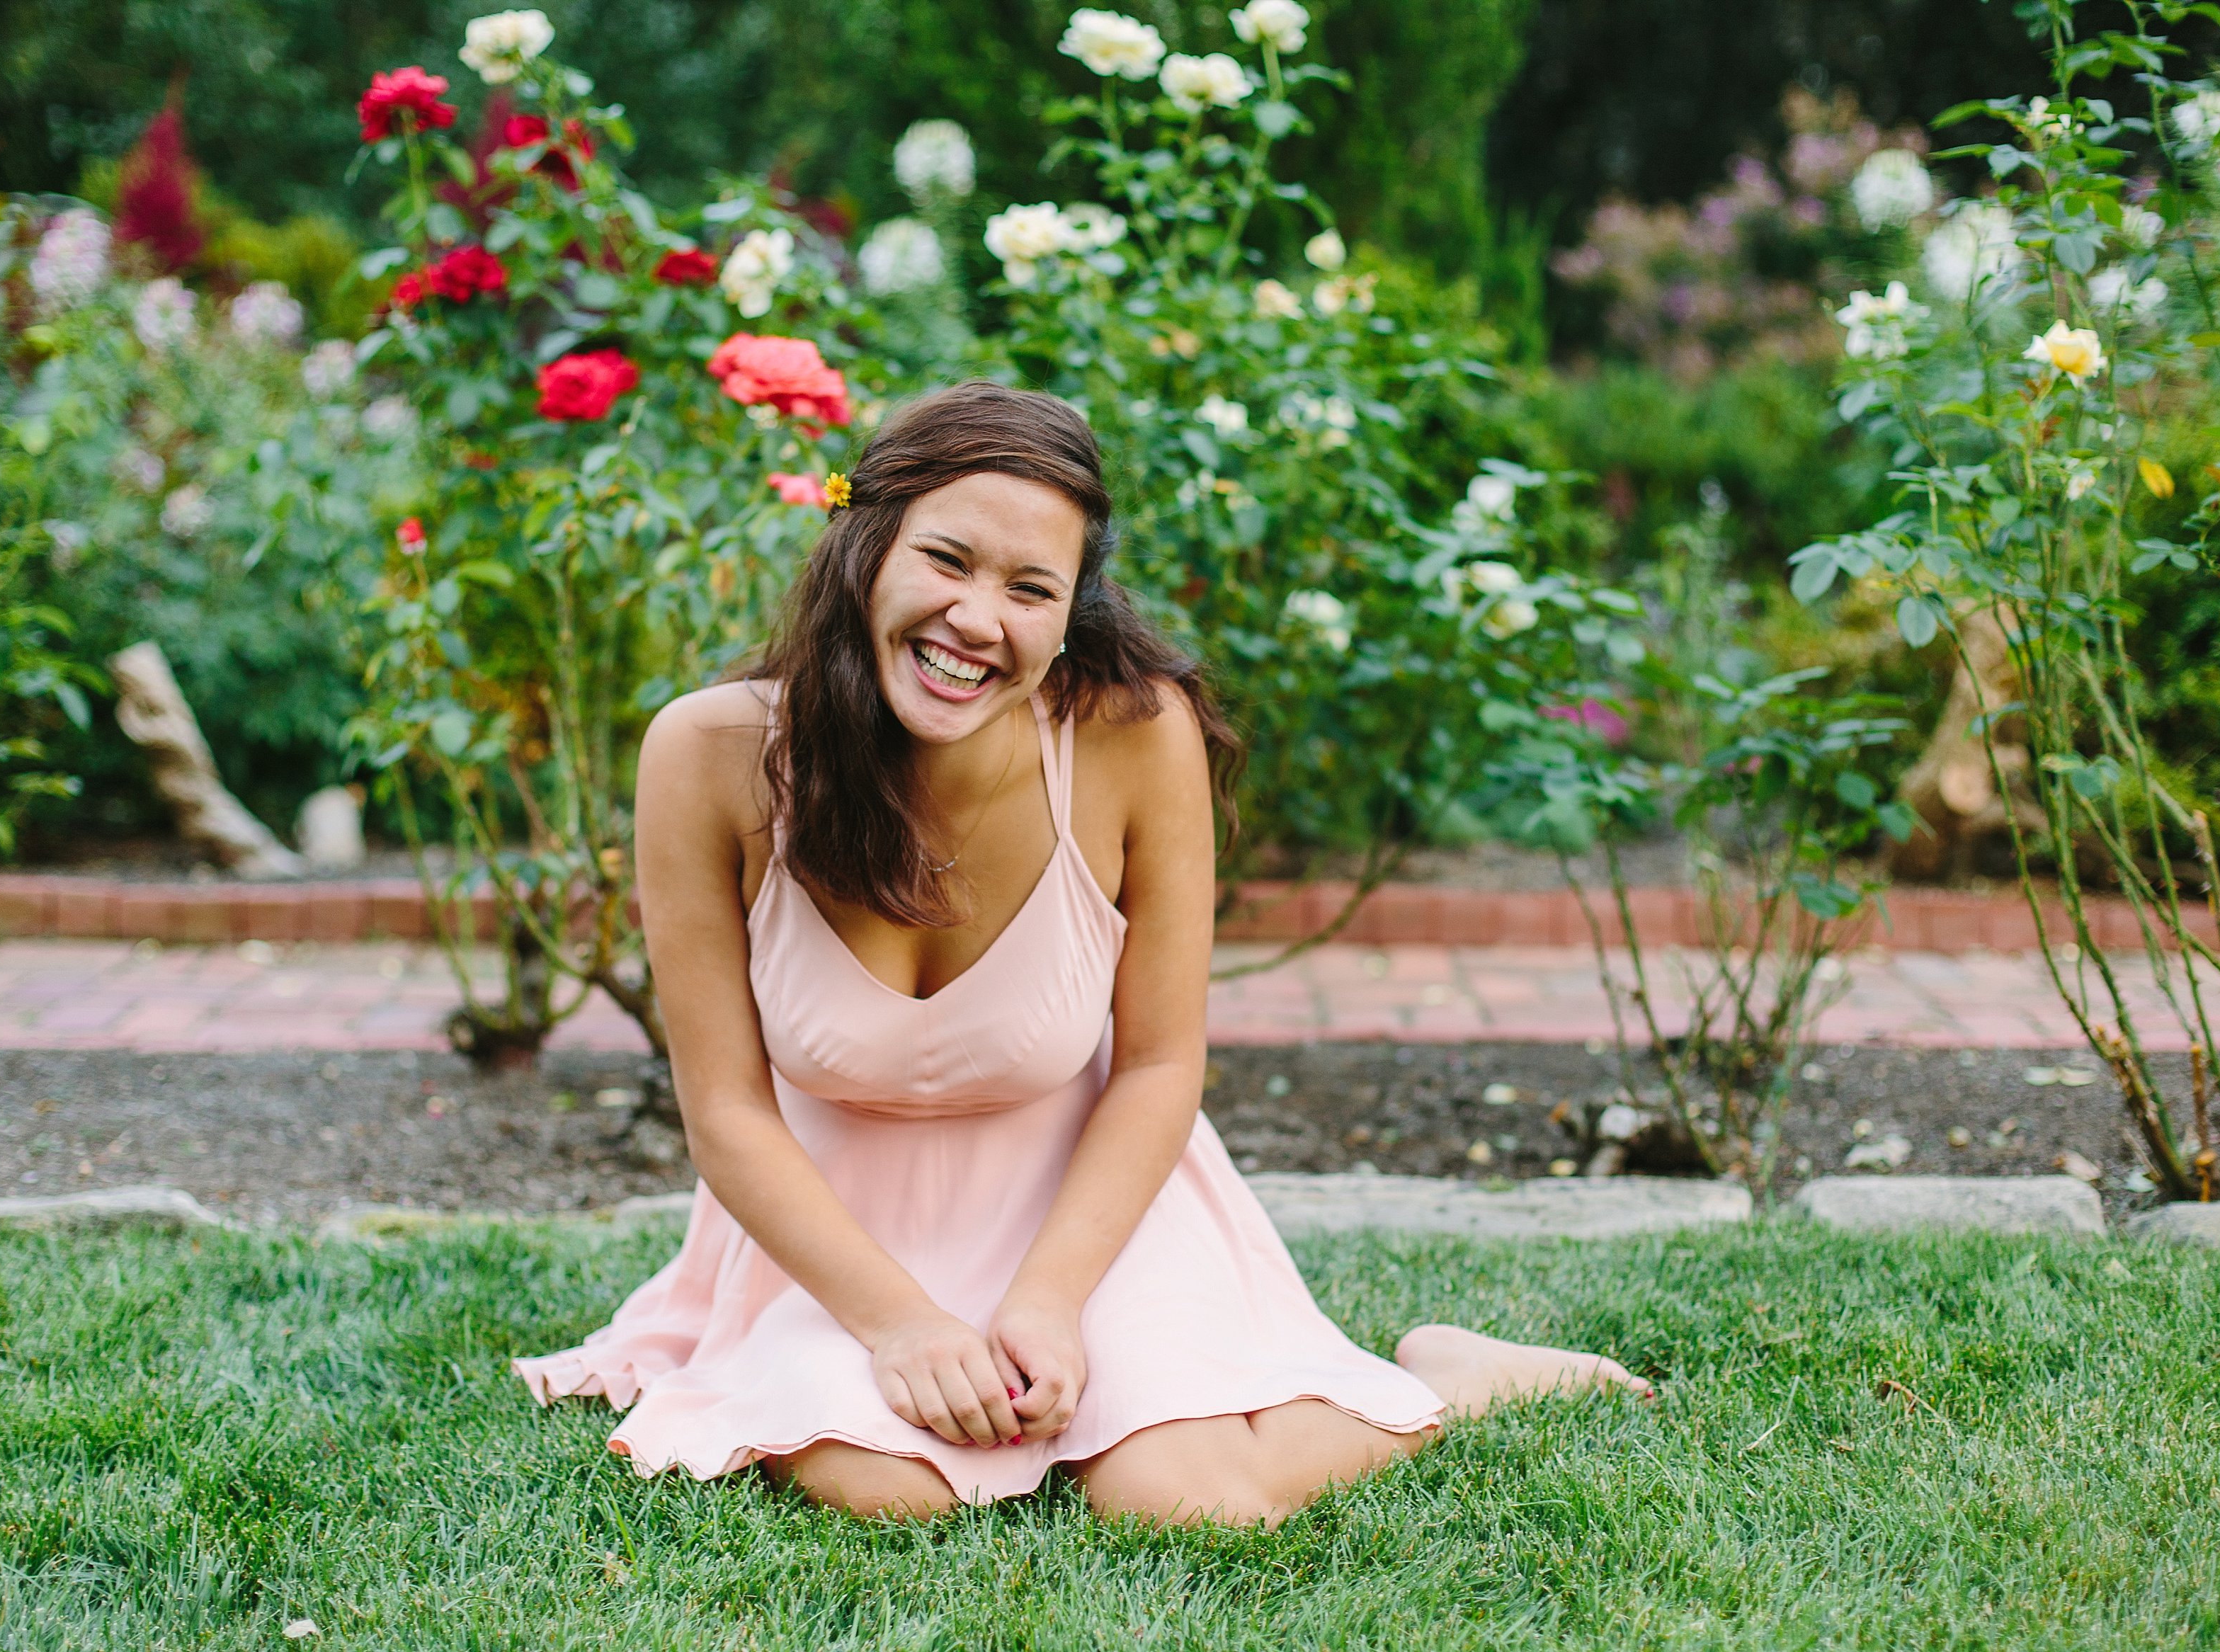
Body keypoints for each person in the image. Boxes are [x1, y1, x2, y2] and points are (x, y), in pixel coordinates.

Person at [513, 381, 1648, 1525]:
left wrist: (1052, 1299)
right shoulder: (707, 754)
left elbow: (1158, 1066)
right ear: (863, 546)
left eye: (1029, 589)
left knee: (1188, 1502)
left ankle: (1438, 1375)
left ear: (1069, 616)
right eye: (947, 560)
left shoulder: (1136, 736)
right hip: (840, 1224)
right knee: (893, 1492)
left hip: (1087, 1199)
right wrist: (899, 1323)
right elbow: (727, 1114)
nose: (976, 619)